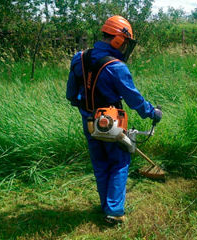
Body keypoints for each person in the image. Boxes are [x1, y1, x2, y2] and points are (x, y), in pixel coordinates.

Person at [66, 15, 162, 224]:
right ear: (118, 40)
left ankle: (106, 206)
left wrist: (88, 109)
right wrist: (152, 113)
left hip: (89, 123)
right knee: (119, 162)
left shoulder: (79, 57)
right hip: (112, 124)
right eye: (125, 42)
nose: (125, 47)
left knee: (100, 163)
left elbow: (71, 95)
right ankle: (114, 211)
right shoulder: (116, 67)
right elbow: (134, 99)